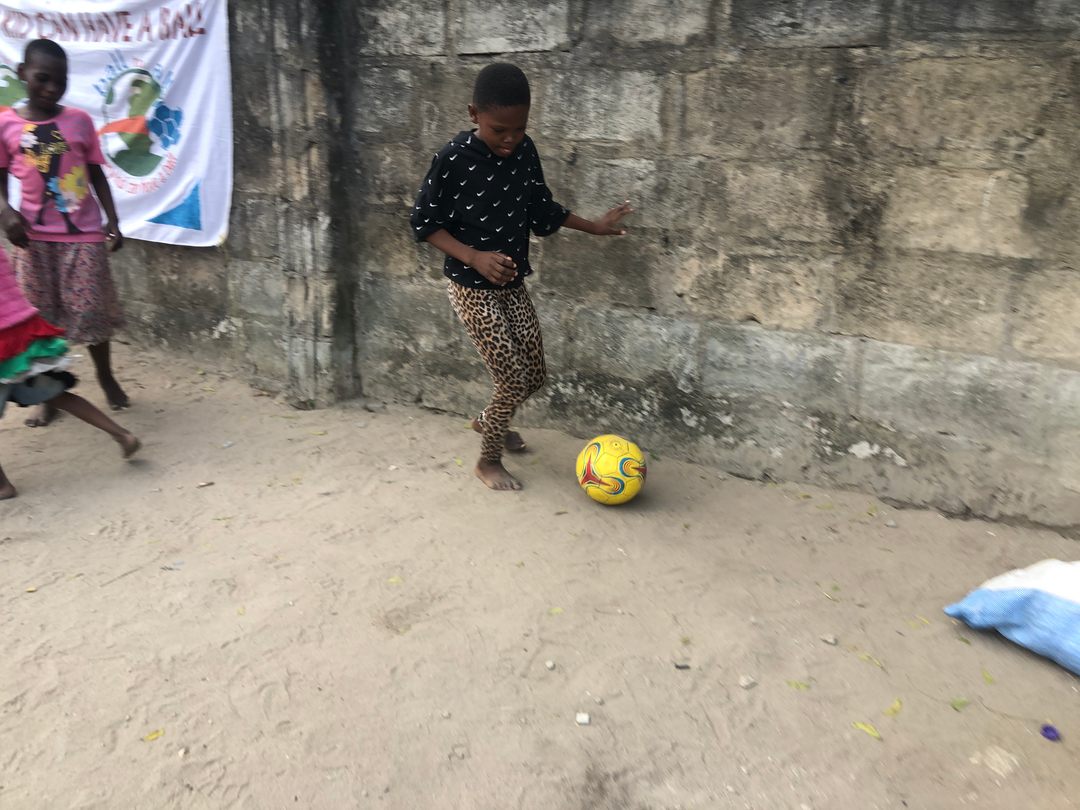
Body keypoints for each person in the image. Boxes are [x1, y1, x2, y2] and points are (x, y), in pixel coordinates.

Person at [411, 63, 633, 491]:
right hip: (470, 286)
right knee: (511, 380)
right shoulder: (453, 159)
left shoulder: (525, 151)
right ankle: (488, 461)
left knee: (534, 375)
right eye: (499, 130)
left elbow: (542, 210)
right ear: (474, 114)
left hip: (512, 284)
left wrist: (594, 226)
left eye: (520, 128)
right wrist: (474, 257)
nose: (510, 139)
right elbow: (424, 223)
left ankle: (488, 420)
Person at [0, 38, 128, 427]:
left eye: (61, 80)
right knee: (41, 320)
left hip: (83, 235)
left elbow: (95, 173)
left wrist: (113, 220)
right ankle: (49, 395)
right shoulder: (6, 124)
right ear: (22, 74)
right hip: (32, 240)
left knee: (91, 311)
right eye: (43, 78)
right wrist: (6, 212)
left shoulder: (79, 121)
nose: (52, 88)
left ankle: (105, 375)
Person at [0, 248, 140, 500]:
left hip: (3, 348)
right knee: (58, 395)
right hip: (23, 339)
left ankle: (2, 486)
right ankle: (122, 435)